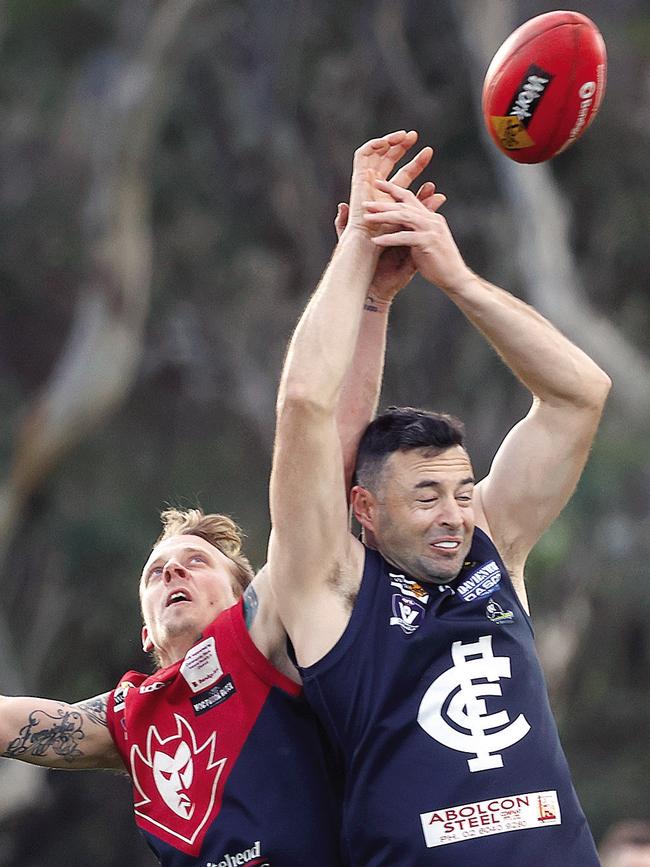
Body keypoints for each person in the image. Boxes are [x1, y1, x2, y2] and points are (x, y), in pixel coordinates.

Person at [0, 135, 441, 865]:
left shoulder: (266, 633)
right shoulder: (129, 717)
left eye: (194, 562)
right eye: (156, 571)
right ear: (144, 632)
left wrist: (367, 295)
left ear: (241, 590)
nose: (171, 573)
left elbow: (331, 464)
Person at [269, 129, 612, 865]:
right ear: (364, 509)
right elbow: (305, 403)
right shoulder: (328, 589)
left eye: (462, 489)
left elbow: (579, 396)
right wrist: (357, 249)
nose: (456, 513)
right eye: (426, 496)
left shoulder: (493, 545)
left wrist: (452, 276)